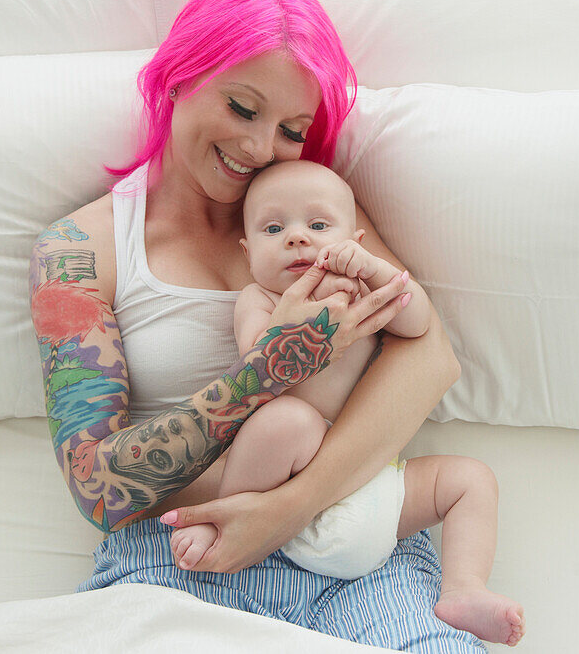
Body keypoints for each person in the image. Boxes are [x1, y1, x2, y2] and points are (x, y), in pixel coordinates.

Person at [29, 0, 486, 652]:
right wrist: (266, 369)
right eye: (243, 108)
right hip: (182, 555)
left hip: (354, 550)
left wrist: (285, 509)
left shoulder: (311, 211)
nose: (258, 148)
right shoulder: (79, 249)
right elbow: (98, 485)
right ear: (180, 76)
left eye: (291, 129)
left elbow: (429, 357)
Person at [168, 160, 526, 647]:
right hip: (280, 489)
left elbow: (416, 322)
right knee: (286, 420)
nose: (297, 238)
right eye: (275, 229)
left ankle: (463, 588)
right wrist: (291, 323)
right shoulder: (259, 297)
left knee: (470, 480)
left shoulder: (362, 290)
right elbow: (256, 366)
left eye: (317, 226)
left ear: (354, 242)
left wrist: (376, 274)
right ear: (248, 251)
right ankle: (225, 520)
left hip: (371, 487)